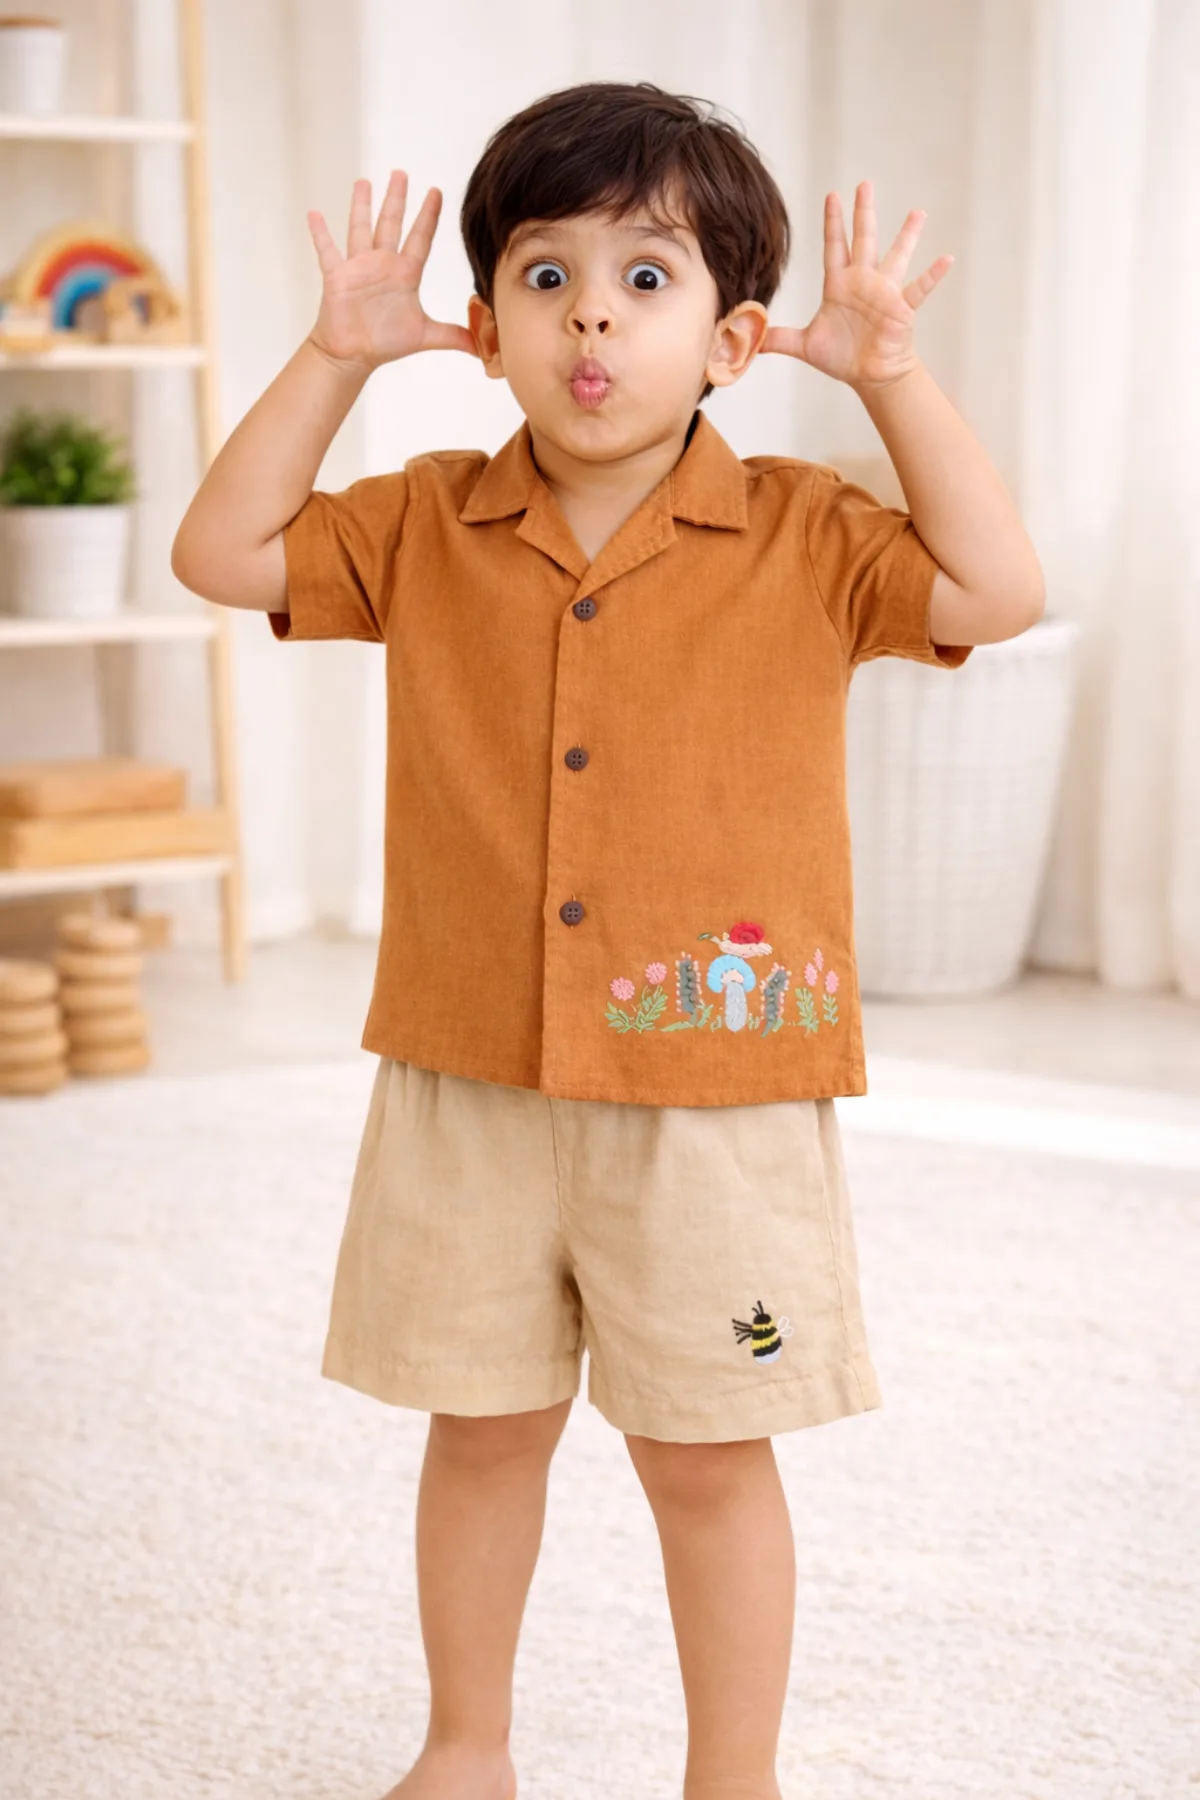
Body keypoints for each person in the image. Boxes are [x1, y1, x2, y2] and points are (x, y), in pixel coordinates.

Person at [172, 79, 1043, 1800]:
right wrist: (337, 355)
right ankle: (466, 1747)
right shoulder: (422, 518)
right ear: (486, 325)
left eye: (647, 279)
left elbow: (996, 593)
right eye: (547, 275)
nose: (591, 317)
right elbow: (221, 550)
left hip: (714, 1095)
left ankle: (737, 1776)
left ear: (732, 341)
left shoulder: (805, 529)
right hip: (470, 1070)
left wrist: (890, 377)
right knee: (482, 1429)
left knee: (707, 1454)